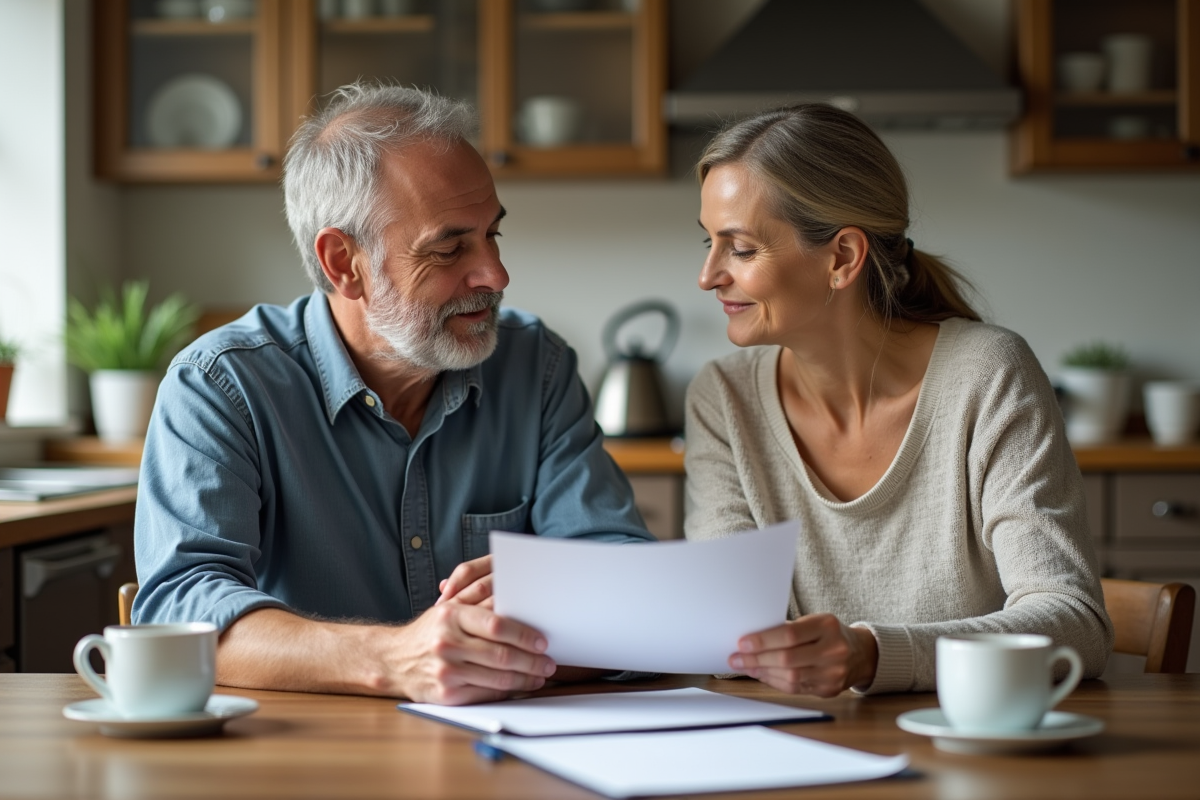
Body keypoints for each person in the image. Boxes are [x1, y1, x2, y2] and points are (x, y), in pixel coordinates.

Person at [133, 82, 653, 705]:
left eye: (493, 235)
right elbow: (183, 612)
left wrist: (559, 600)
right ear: (343, 263)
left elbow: (628, 584)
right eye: (449, 248)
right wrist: (394, 659)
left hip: (508, 740)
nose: (495, 275)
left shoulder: (536, 367)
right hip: (303, 746)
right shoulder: (222, 385)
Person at [686, 104, 1112, 696]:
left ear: (842, 258)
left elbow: (1076, 624)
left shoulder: (988, 374)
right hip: (793, 741)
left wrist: (871, 655)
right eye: (709, 242)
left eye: (740, 249)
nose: (708, 275)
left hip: (968, 741)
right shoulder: (723, 397)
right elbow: (727, 630)